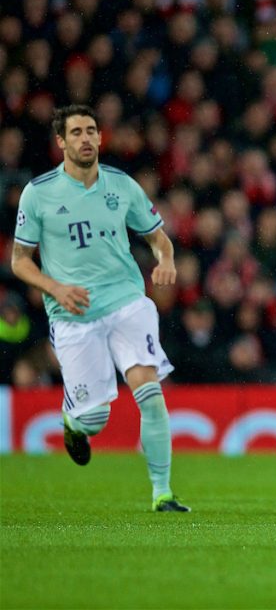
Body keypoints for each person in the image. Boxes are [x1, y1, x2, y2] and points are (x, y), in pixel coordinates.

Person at [11, 105, 189, 512]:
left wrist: (166, 260)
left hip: (127, 301)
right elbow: (19, 260)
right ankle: (75, 421)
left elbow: (158, 237)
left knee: (150, 392)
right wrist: (54, 286)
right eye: (76, 133)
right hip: (73, 316)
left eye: (91, 131)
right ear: (61, 142)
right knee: (96, 420)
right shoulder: (38, 193)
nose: (86, 138)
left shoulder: (122, 186)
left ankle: (162, 493)